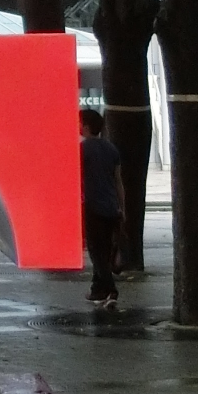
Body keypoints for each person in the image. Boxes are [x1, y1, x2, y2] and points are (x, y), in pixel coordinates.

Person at [79, 108, 125, 307]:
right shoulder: (111, 148)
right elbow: (118, 181)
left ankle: (111, 289)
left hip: (93, 206)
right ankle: (97, 290)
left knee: (96, 252)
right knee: (104, 250)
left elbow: (77, 179)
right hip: (111, 207)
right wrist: (122, 207)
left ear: (86, 126)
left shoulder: (82, 149)